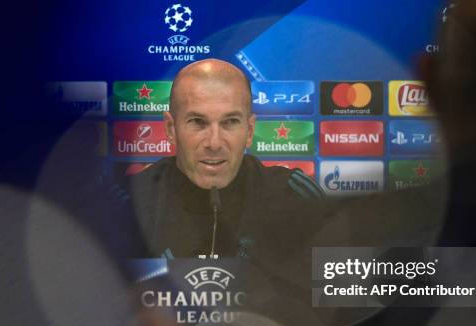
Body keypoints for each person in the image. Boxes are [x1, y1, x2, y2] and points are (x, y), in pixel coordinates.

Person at [127, 59, 327, 263]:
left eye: (230, 122)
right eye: (197, 122)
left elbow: (343, 290)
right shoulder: (130, 204)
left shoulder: (295, 199)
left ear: (249, 131)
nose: (214, 143)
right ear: (171, 129)